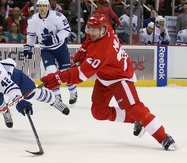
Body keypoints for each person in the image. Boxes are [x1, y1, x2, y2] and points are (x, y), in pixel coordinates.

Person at [40, 13, 177, 151]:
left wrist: (57, 78)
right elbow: (89, 38)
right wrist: (83, 48)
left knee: (135, 108)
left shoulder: (102, 49)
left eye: (95, 29)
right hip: (105, 76)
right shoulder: (107, 29)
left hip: (120, 77)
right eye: (90, 28)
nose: (91, 32)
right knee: (98, 111)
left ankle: (164, 137)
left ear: (103, 29)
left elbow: (80, 75)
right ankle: (135, 120)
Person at [0, 49, 70, 128]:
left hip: (14, 78)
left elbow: (11, 90)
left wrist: (19, 101)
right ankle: (5, 111)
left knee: (32, 93)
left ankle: (54, 101)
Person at [23, 0, 78, 106]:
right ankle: (57, 96)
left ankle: (73, 92)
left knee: (65, 72)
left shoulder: (57, 16)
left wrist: (55, 38)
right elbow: (31, 35)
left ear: (48, 6)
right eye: (40, 6)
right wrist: (29, 46)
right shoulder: (33, 20)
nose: (42, 8)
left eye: (44, 5)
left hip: (60, 47)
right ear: (37, 7)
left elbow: (67, 30)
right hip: (46, 49)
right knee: (51, 72)